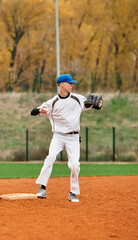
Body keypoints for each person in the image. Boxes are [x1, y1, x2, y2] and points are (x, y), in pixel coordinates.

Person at [31, 74, 92, 203]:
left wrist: (95, 104)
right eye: (69, 83)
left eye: (72, 83)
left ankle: (73, 193)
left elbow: (90, 104)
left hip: (73, 137)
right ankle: (42, 187)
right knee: (51, 157)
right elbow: (34, 111)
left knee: (75, 165)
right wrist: (38, 110)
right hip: (58, 136)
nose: (72, 85)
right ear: (61, 84)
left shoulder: (78, 99)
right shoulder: (52, 102)